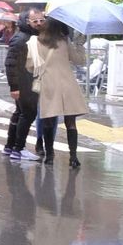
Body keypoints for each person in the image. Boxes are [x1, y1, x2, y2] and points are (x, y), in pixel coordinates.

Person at [29, 17, 89, 169]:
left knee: (48, 121)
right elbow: (79, 60)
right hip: (68, 85)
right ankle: (73, 157)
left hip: (48, 85)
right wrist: (80, 45)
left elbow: (30, 65)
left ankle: (49, 155)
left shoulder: (35, 43)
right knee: (71, 123)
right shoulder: (64, 42)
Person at [2, 10, 46, 162]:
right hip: (24, 83)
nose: (39, 23)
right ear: (28, 21)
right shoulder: (22, 39)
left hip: (28, 82)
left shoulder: (31, 37)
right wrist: (14, 86)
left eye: (41, 20)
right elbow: (10, 63)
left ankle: (10, 147)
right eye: (35, 21)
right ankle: (18, 149)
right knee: (28, 114)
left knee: (21, 113)